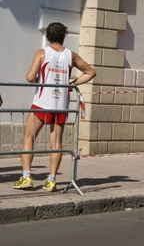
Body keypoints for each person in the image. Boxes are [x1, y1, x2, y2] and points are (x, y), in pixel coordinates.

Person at [13, 22, 96, 192]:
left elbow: (30, 77)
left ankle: (27, 176)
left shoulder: (42, 53)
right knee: (56, 142)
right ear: (63, 36)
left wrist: (38, 79)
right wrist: (72, 83)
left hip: (42, 103)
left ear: (47, 36)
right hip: (61, 105)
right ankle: (51, 180)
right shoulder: (70, 55)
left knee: (29, 137)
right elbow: (90, 72)